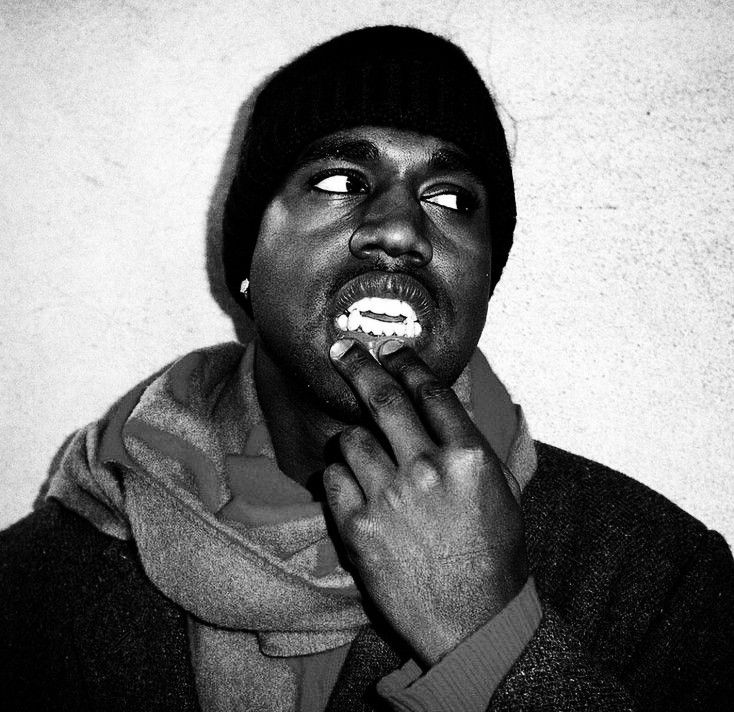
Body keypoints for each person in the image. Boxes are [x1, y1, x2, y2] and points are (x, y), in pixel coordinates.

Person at [1, 25, 732, 712]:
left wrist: (492, 639)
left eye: (450, 198)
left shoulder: (661, 580)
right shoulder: (34, 586)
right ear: (247, 256)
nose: (399, 229)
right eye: (341, 182)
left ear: (485, 278)